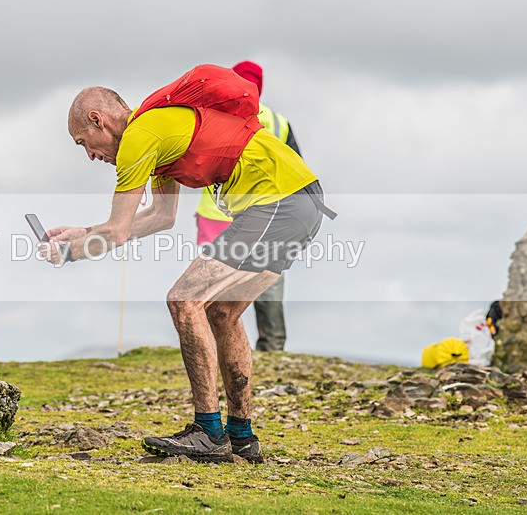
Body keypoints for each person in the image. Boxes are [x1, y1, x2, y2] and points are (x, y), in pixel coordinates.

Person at [38, 65, 333, 463]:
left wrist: (71, 251)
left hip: (278, 201)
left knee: (184, 299)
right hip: (299, 201)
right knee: (224, 314)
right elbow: (161, 216)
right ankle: (241, 438)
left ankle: (209, 431)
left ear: (99, 120)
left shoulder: (139, 137)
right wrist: (82, 232)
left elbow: (118, 231)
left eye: (83, 142)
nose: (90, 154)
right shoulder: (154, 130)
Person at [195, 61, 302, 352]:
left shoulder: (211, 115)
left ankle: (214, 348)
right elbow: (295, 168)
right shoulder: (277, 121)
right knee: (267, 277)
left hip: (216, 214)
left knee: (215, 284)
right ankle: (273, 345)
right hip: (265, 213)